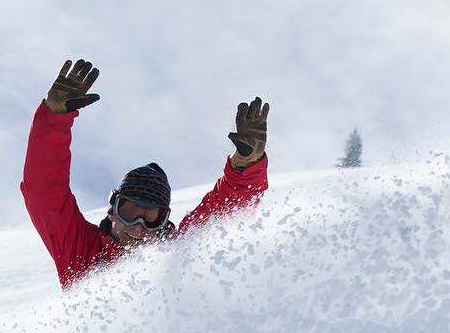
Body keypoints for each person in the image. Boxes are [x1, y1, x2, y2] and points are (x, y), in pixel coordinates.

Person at [21, 58, 269, 287]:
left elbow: (227, 210)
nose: (138, 227)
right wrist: (54, 119)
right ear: (113, 210)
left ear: (164, 221)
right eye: (129, 212)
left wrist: (246, 164)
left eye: (151, 217)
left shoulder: (183, 250)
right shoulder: (82, 252)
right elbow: (44, 194)